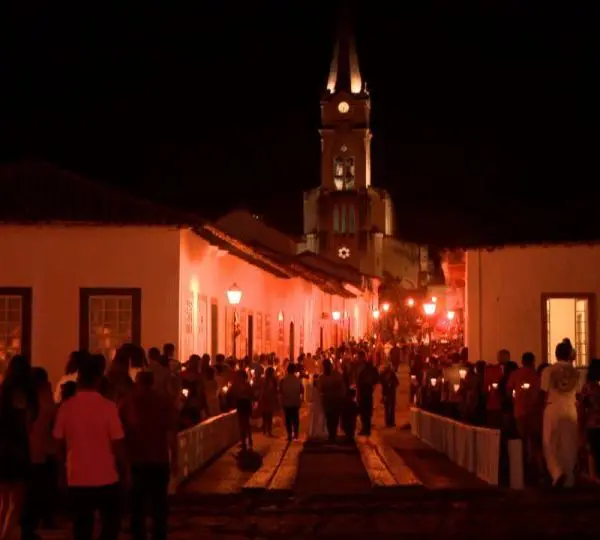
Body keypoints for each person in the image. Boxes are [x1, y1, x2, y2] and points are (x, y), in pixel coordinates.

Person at [53, 353, 126, 540]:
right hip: (106, 475)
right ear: (98, 380)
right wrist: (124, 470)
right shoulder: (108, 407)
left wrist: (61, 473)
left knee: (81, 526)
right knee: (110, 524)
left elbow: (58, 443)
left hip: (77, 475)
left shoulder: (66, 407)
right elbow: (118, 443)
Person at [121, 371, 178, 540]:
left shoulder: (128, 403)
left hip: (136, 459)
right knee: (159, 504)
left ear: (137, 383)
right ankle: (159, 535)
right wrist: (175, 458)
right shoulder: (163, 402)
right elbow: (171, 433)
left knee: (137, 505)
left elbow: (120, 434)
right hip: (159, 458)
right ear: (152, 382)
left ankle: (139, 535)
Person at [0, 355, 38, 540]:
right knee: (16, 500)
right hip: (18, 448)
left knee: (3, 500)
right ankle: (5, 535)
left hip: (2, 447)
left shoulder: (3, 390)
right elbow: (27, 422)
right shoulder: (24, 395)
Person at [541, 341, 580, 487]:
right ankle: (569, 478)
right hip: (570, 407)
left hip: (552, 407)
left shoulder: (548, 371)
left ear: (556, 354)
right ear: (570, 355)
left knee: (550, 442)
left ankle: (557, 473)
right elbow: (579, 393)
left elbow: (542, 393)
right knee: (569, 443)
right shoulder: (575, 372)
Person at [579, 358, 600, 481]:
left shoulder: (588, 387)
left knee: (593, 448)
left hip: (592, 422)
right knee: (594, 448)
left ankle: (593, 474)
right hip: (594, 422)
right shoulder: (591, 387)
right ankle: (593, 474)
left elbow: (582, 404)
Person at [318, 359, 346, 443]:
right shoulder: (337, 375)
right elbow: (342, 387)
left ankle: (331, 434)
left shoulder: (323, 377)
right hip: (335, 399)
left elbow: (320, 389)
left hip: (328, 400)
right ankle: (333, 434)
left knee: (330, 417)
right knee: (334, 417)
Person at [230, 370, 254, 451]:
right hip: (243, 403)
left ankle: (246, 440)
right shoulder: (245, 384)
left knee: (244, 423)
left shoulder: (240, 385)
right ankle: (246, 440)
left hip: (243, 403)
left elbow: (231, 393)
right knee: (244, 423)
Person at [279, 364, 304, 441]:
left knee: (288, 419)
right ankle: (295, 433)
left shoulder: (283, 380)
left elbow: (280, 391)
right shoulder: (297, 380)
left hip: (286, 402)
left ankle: (289, 434)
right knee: (295, 418)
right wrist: (301, 399)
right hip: (295, 402)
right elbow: (302, 390)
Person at [258, 367, 279, 437]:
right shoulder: (272, 380)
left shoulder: (264, 380)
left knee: (266, 416)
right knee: (268, 416)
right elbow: (275, 390)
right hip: (269, 399)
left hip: (265, 399)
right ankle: (268, 430)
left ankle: (265, 429)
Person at [306, 374, 327, 440]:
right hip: (319, 405)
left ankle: (315, 432)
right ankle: (319, 432)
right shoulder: (319, 389)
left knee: (315, 419)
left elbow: (310, 398)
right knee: (319, 419)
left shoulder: (312, 388)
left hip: (316, 405)